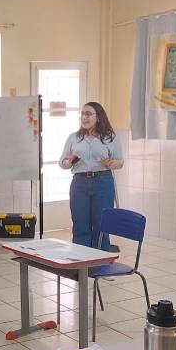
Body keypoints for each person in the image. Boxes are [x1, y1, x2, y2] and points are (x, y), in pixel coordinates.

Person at [59, 101, 123, 252]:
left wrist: (111, 163)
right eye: (82, 114)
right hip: (79, 183)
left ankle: (101, 262)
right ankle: (81, 262)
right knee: (80, 224)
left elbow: (120, 162)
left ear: (98, 117)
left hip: (103, 182)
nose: (84, 117)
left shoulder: (110, 137)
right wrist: (69, 162)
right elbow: (62, 162)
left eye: (88, 114)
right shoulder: (74, 138)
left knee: (101, 226)